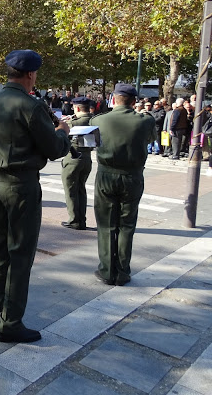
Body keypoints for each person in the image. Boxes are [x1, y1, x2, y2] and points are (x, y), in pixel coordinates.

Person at [0, 49, 70, 344]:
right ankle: (11, 323)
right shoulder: (29, 106)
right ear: (30, 75)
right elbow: (55, 149)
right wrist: (63, 131)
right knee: (20, 255)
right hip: (20, 185)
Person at [90, 83, 156, 287]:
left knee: (106, 224)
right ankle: (122, 271)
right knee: (127, 225)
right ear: (134, 101)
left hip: (106, 175)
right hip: (132, 176)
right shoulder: (145, 120)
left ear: (113, 99)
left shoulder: (99, 119)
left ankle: (107, 270)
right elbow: (150, 139)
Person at [60, 97, 94, 230]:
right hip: (87, 158)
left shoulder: (74, 122)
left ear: (78, 108)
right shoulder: (93, 119)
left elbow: (60, 132)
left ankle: (74, 220)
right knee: (81, 189)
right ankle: (81, 219)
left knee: (71, 190)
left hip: (73, 159)